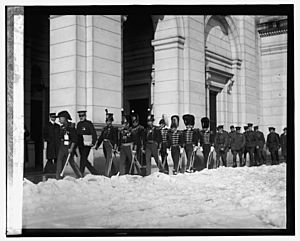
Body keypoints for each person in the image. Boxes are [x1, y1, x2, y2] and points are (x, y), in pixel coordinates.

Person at [56, 110, 82, 179]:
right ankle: (58, 177)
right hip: (62, 146)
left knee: (71, 162)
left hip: (69, 146)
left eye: (60, 118)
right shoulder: (61, 127)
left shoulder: (71, 127)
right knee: (59, 161)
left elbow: (74, 139)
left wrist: (71, 148)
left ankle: (79, 176)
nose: (59, 120)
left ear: (65, 118)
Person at [95, 109, 118, 177]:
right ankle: (114, 171)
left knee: (109, 159)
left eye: (109, 121)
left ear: (111, 121)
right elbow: (101, 137)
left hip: (110, 144)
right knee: (107, 158)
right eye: (107, 121)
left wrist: (115, 147)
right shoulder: (104, 129)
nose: (108, 122)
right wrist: (97, 145)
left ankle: (107, 174)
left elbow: (115, 139)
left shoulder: (114, 129)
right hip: (105, 144)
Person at [76, 110, 99, 176]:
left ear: (85, 116)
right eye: (80, 116)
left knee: (83, 158)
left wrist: (93, 142)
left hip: (87, 144)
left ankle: (81, 172)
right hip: (80, 144)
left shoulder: (89, 123)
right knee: (84, 159)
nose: (81, 117)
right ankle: (94, 172)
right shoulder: (79, 124)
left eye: (82, 115)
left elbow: (93, 133)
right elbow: (77, 134)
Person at [130, 111, 145, 175]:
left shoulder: (141, 128)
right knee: (133, 159)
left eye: (135, 121)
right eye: (133, 121)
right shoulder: (130, 129)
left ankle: (139, 172)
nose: (134, 122)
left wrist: (142, 146)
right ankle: (133, 171)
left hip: (139, 145)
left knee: (138, 159)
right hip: (132, 145)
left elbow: (142, 138)